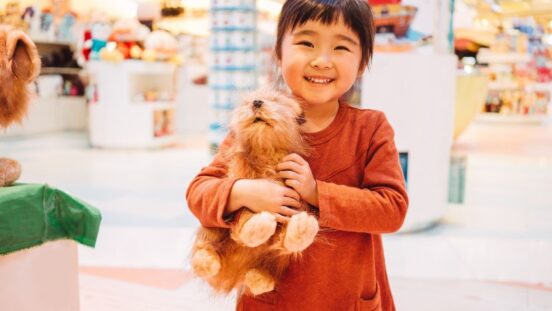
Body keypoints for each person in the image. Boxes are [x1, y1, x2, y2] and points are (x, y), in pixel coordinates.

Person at [186, 0, 409, 310]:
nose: (321, 60)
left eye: (341, 48)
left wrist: (318, 193)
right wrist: (245, 192)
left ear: (362, 62)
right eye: (306, 43)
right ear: (279, 54)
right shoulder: (257, 121)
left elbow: (392, 209)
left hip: (348, 299)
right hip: (269, 299)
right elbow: (199, 192)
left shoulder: (370, 128)